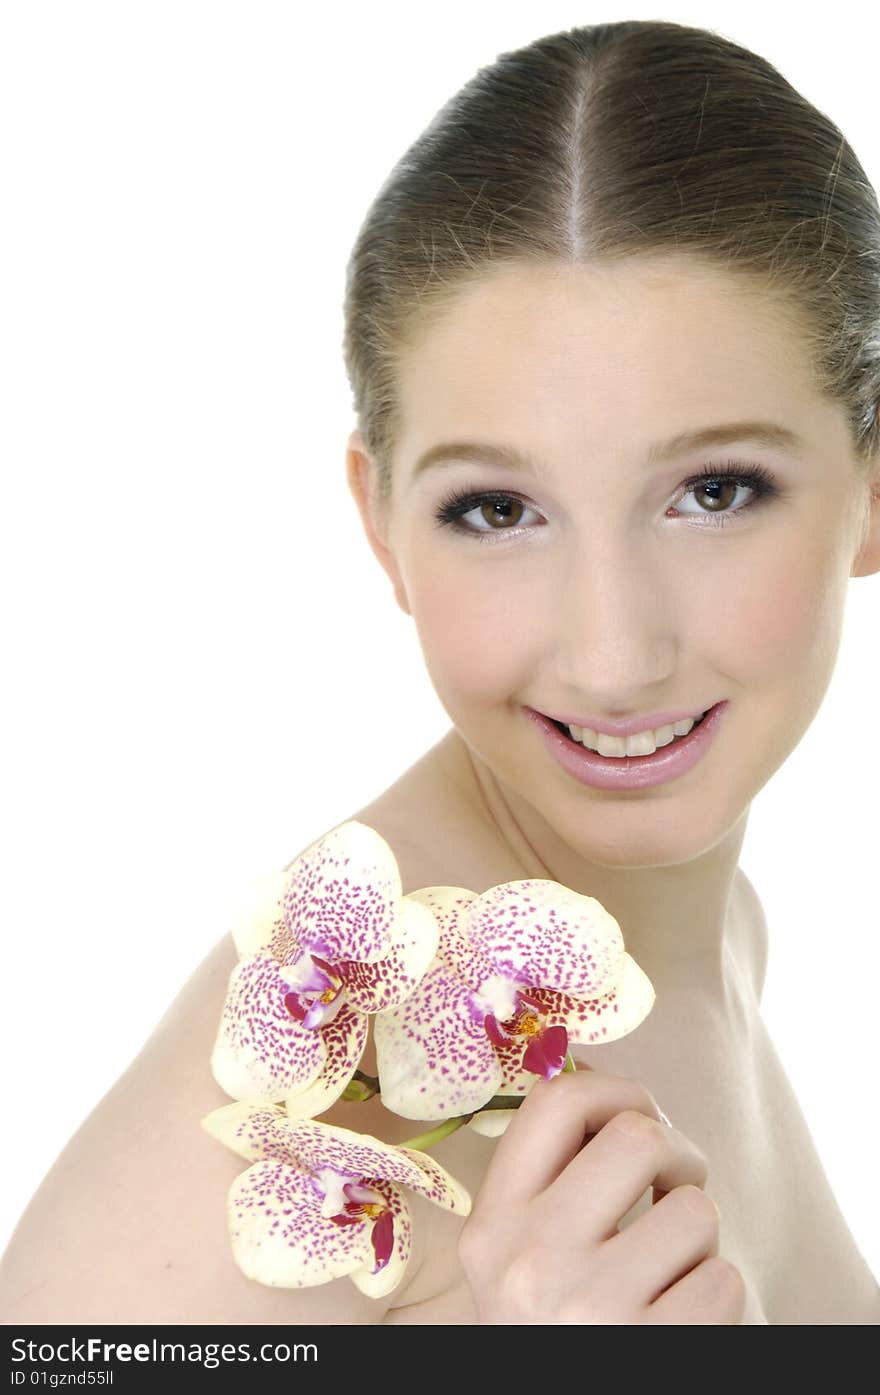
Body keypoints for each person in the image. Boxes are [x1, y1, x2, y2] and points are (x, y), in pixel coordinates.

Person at [2, 17, 879, 1326]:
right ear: (381, 527)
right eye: (494, 509)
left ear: (871, 489)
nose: (612, 653)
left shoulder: (710, 932)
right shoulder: (308, 1087)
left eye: (715, 488)